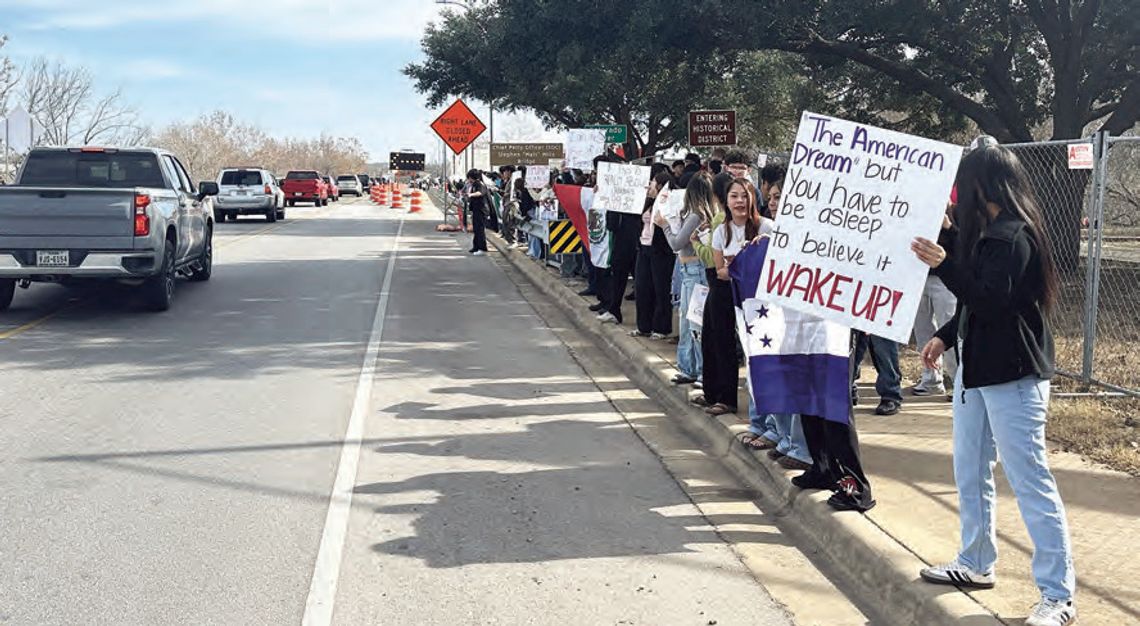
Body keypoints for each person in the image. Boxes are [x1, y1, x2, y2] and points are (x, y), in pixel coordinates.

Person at [912, 145, 1075, 626]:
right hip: (977, 374)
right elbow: (972, 305)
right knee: (970, 469)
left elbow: (992, 301)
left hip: (1014, 377)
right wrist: (944, 337)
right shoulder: (986, 236)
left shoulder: (1013, 237)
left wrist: (944, 264)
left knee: (1030, 482)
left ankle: (1058, 595)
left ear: (982, 187)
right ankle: (976, 561)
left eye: (962, 185)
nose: (956, 196)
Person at [738, 180, 813, 471]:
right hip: (777, 318)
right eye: (770, 197)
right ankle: (787, 440)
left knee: (797, 383)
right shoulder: (771, 232)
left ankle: (802, 448)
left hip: (802, 323)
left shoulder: (807, 233)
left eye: (779, 197)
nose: (773, 203)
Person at [699, 176, 761, 416]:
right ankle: (723, 397)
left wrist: (736, 265)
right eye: (734, 196)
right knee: (719, 341)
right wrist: (739, 266)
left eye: (745, 196)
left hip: (756, 296)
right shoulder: (720, 232)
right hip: (725, 292)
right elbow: (720, 272)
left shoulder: (765, 227)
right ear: (726, 201)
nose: (740, 201)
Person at [658, 172, 716, 386]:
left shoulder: (696, 216)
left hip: (695, 270)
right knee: (686, 321)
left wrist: (663, 225)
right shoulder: (698, 214)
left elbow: (676, 243)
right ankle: (689, 367)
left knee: (695, 323)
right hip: (689, 270)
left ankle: (699, 370)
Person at [632, 171, 676, 339]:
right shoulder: (648, 202)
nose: (649, 185)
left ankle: (661, 327)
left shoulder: (668, 203)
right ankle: (644, 325)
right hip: (644, 248)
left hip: (661, 251)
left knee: (661, 288)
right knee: (643, 287)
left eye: (652, 183)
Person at [465, 169, 489, 256]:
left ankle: (482, 248)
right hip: (476, 210)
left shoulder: (479, 184)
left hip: (481, 210)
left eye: (469, 178)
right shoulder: (474, 184)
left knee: (480, 229)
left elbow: (480, 193)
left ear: (471, 177)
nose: (468, 180)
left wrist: (471, 195)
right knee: (476, 229)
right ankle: (476, 246)